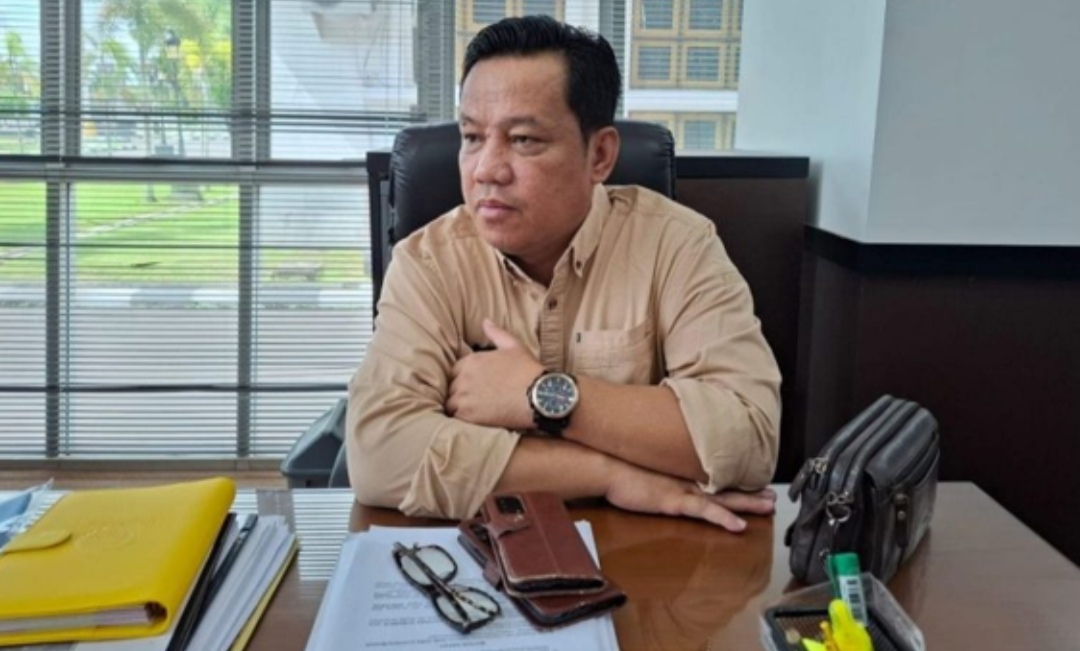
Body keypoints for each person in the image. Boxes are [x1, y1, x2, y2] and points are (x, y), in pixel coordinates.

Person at [347, 15, 780, 531]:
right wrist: (609, 474)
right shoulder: (428, 262)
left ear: (600, 155)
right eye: (472, 137)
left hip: (645, 549)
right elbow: (380, 454)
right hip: (480, 549)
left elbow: (750, 436)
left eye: (524, 140)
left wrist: (539, 394)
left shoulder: (678, 244)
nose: (486, 169)